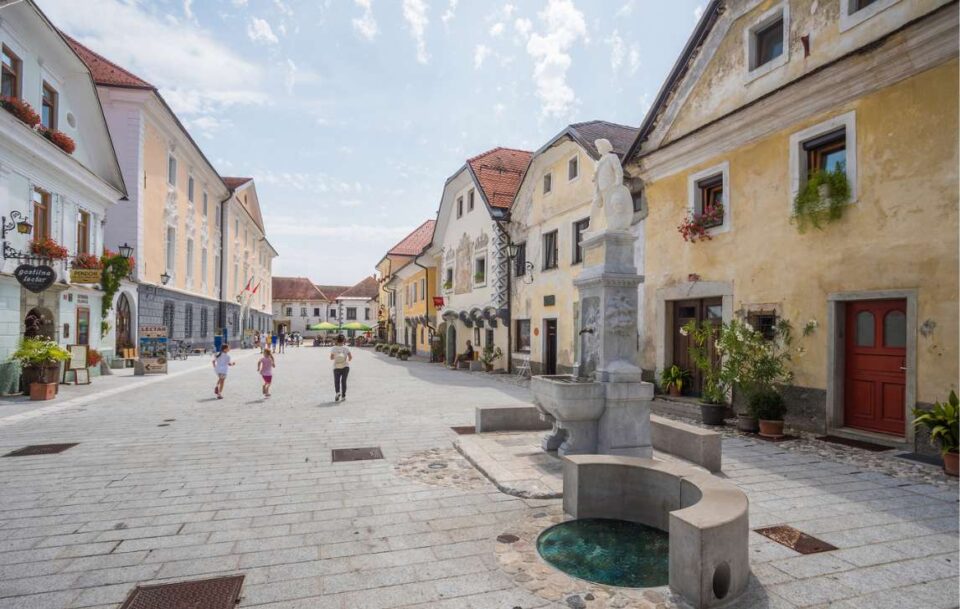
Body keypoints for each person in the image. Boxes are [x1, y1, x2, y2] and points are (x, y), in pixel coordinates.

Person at [330, 334, 352, 402]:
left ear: (336, 340)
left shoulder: (334, 348)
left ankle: (337, 393)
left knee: (337, 381)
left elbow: (331, 358)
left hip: (336, 366)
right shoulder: (346, 348)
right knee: (343, 381)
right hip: (345, 366)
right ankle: (343, 396)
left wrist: (337, 357)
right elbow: (350, 357)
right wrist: (344, 359)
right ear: (344, 340)